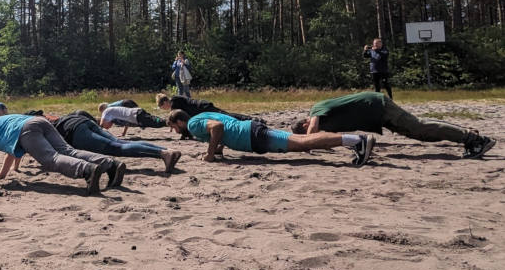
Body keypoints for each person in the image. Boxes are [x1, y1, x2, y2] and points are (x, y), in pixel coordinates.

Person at [290, 91, 497, 159]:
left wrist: (305, 144)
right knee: (420, 133)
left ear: (305, 122)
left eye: (305, 129)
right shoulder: (325, 121)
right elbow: (325, 140)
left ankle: (474, 139)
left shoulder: (316, 110)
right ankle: (466, 136)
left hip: (377, 105)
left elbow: (313, 131)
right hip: (377, 114)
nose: (310, 131)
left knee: (419, 127)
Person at [0, 114, 123, 195]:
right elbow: (11, 154)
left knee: (51, 159)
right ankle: (110, 164)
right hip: (39, 121)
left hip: (27, 129)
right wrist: (1, 176)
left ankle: (87, 170)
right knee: (68, 151)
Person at [166, 110, 375, 166]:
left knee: (302, 143)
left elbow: (218, 127)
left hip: (251, 136)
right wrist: (218, 148)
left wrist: (210, 154)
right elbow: (220, 128)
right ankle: (355, 141)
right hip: (251, 131)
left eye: (173, 128)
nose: (175, 132)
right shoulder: (200, 117)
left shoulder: (193, 124)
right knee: (300, 141)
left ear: (179, 122)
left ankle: (357, 140)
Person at [54, 110, 181, 173]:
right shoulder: (55, 118)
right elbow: (80, 112)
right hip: (82, 121)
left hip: (75, 132)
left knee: (116, 148)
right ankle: (166, 150)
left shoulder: (43, 126)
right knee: (120, 142)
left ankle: (163, 154)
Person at [156, 93, 253, 122]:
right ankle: (249, 119)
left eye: (162, 106)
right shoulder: (175, 101)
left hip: (203, 107)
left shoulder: (175, 102)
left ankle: (250, 119)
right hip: (202, 108)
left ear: (165, 102)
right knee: (225, 116)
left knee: (225, 116)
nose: (163, 109)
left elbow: (174, 117)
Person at [98, 102, 166, 137]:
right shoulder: (113, 115)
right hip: (137, 114)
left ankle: (170, 121)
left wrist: (100, 133)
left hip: (137, 115)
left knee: (157, 122)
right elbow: (126, 122)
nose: (108, 128)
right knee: (155, 122)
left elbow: (101, 125)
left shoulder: (106, 112)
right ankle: (168, 121)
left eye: (107, 127)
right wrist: (123, 133)